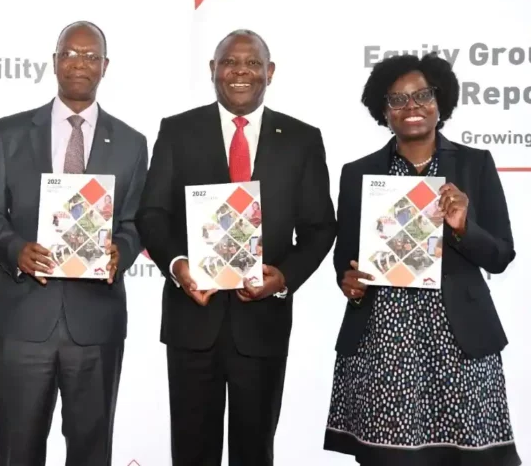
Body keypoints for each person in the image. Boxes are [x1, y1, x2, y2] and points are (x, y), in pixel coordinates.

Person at [136, 29, 337, 466]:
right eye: (229, 62)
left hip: (262, 325)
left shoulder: (302, 139)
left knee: (254, 452)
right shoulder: (178, 130)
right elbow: (151, 215)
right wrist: (178, 265)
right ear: (213, 70)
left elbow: (321, 228)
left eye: (251, 63)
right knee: (191, 452)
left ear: (270, 72)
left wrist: (284, 278)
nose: (240, 72)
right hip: (193, 321)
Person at [325, 52, 521, 466]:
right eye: (397, 100)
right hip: (384, 342)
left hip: (459, 340)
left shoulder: (475, 164)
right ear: (383, 110)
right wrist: (351, 283)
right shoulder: (358, 173)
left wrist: (464, 225)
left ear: (441, 101)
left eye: (422, 96)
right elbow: (346, 261)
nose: (411, 107)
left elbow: (501, 255)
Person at [0, 21, 148, 466]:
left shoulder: (131, 143)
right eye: (70, 53)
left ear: (105, 67)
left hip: (96, 323)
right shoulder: (9, 133)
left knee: (92, 453)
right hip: (24, 321)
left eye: (91, 56)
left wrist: (121, 252)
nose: (80, 63)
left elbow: (135, 223)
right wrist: (16, 251)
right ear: (54, 62)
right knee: (19, 450)